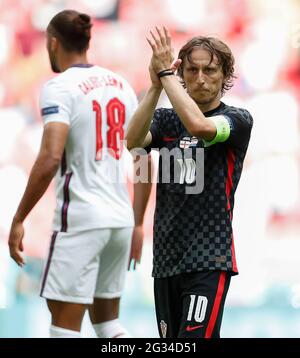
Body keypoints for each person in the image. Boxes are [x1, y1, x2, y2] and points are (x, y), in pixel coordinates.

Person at [8, 10, 139, 338]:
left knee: (64, 329)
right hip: (120, 218)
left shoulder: (58, 87)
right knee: (109, 326)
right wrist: (137, 223)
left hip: (80, 219)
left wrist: (19, 217)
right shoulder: (121, 84)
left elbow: (51, 156)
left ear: (53, 43)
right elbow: (144, 157)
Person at [125, 27, 253, 338]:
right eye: (192, 70)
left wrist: (167, 75)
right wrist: (155, 86)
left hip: (209, 258)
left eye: (210, 70)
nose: (200, 78)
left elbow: (199, 127)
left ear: (225, 76)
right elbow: (133, 143)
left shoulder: (236, 119)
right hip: (166, 260)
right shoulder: (166, 121)